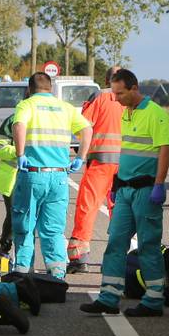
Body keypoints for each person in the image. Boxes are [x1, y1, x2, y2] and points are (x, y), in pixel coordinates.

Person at [80, 68, 169, 317]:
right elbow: (127, 151)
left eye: (120, 93)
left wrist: (159, 184)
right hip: (124, 189)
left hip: (146, 190)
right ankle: (108, 297)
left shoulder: (156, 114)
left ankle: (153, 300)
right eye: (114, 93)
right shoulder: (125, 113)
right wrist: (117, 182)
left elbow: (165, 150)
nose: (116, 98)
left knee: (148, 245)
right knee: (115, 243)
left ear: (134, 88)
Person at [10, 72, 92, 280]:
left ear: (29, 89)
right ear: (51, 88)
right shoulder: (65, 108)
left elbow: (18, 125)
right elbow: (87, 129)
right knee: (53, 230)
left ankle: (23, 274)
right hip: (59, 177)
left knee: (25, 226)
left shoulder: (27, 105)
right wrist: (80, 157)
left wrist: (20, 154)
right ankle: (56, 276)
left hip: (33, 174)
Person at [66, 68, 124, 273]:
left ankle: (79, 257)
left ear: (106, 80)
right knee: (121, 210)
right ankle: (120, 259)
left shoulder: (100, 96)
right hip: (126, 164)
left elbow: (83, 127)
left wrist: (81, 155)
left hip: (101, 162)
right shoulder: (134, 101)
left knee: (87, 206)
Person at [0, 116, 18, 253]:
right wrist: (20, 150)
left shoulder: (48, 118)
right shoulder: (13, 120)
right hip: (13, 177)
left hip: (42, 177)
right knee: (14, 214)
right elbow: (0, 148)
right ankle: (5, 249)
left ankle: (24, 257)